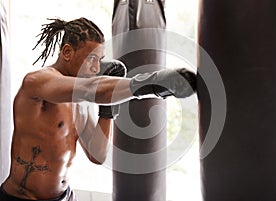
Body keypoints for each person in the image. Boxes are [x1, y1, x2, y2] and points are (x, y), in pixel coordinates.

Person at [0, 17, 196, 201]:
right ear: (67, 52)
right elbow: (88, 89)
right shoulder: (37, 82)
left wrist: (108, 107)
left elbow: (97, 154)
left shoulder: (80, 103)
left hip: (65, 196)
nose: (96, 68)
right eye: (92, 58)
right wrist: (153, 84)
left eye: (100, 60)